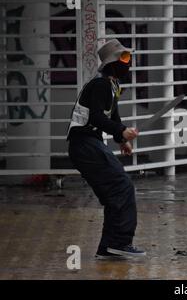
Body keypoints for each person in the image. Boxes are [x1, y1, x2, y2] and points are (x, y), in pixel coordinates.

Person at [67, 39, 146, 259]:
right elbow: (96, 117)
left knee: (116, 192)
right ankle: (120, 243)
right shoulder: (100, 85)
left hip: (89, 145)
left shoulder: (113, 86)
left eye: (129, 57)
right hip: (84, 144)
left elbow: (112, 116)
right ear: (113, 63)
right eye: (124, 58)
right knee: (122, 187)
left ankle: (109, 248)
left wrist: (121, 139)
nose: (128, 63)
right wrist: (122, 130)